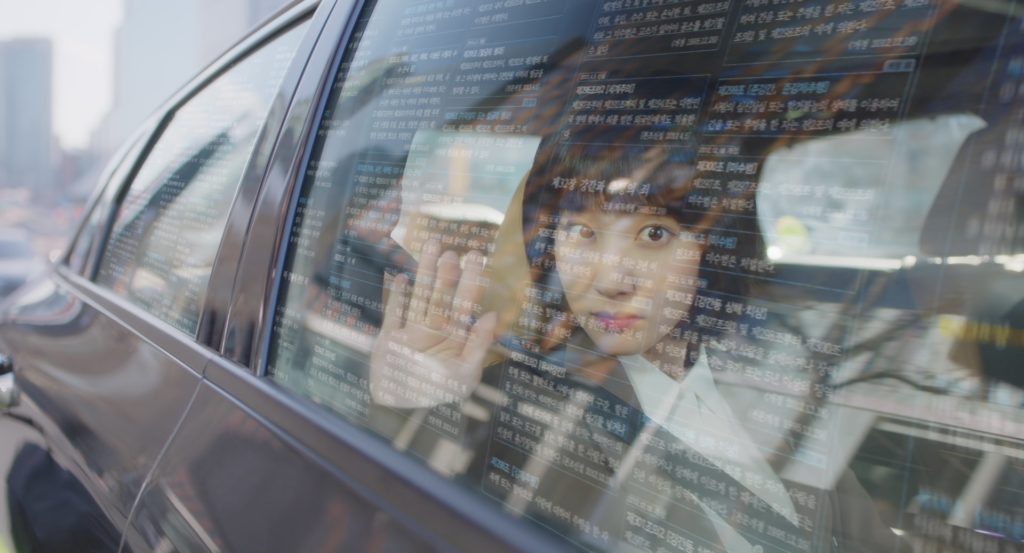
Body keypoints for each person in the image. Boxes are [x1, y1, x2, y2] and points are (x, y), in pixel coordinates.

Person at [367, 146, 905, 552]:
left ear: (710, 251)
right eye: (581, 231)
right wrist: (404, 408)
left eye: (653, 235)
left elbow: (859, 533)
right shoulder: (530, 397)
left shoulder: (769, 368)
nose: (612, 280)